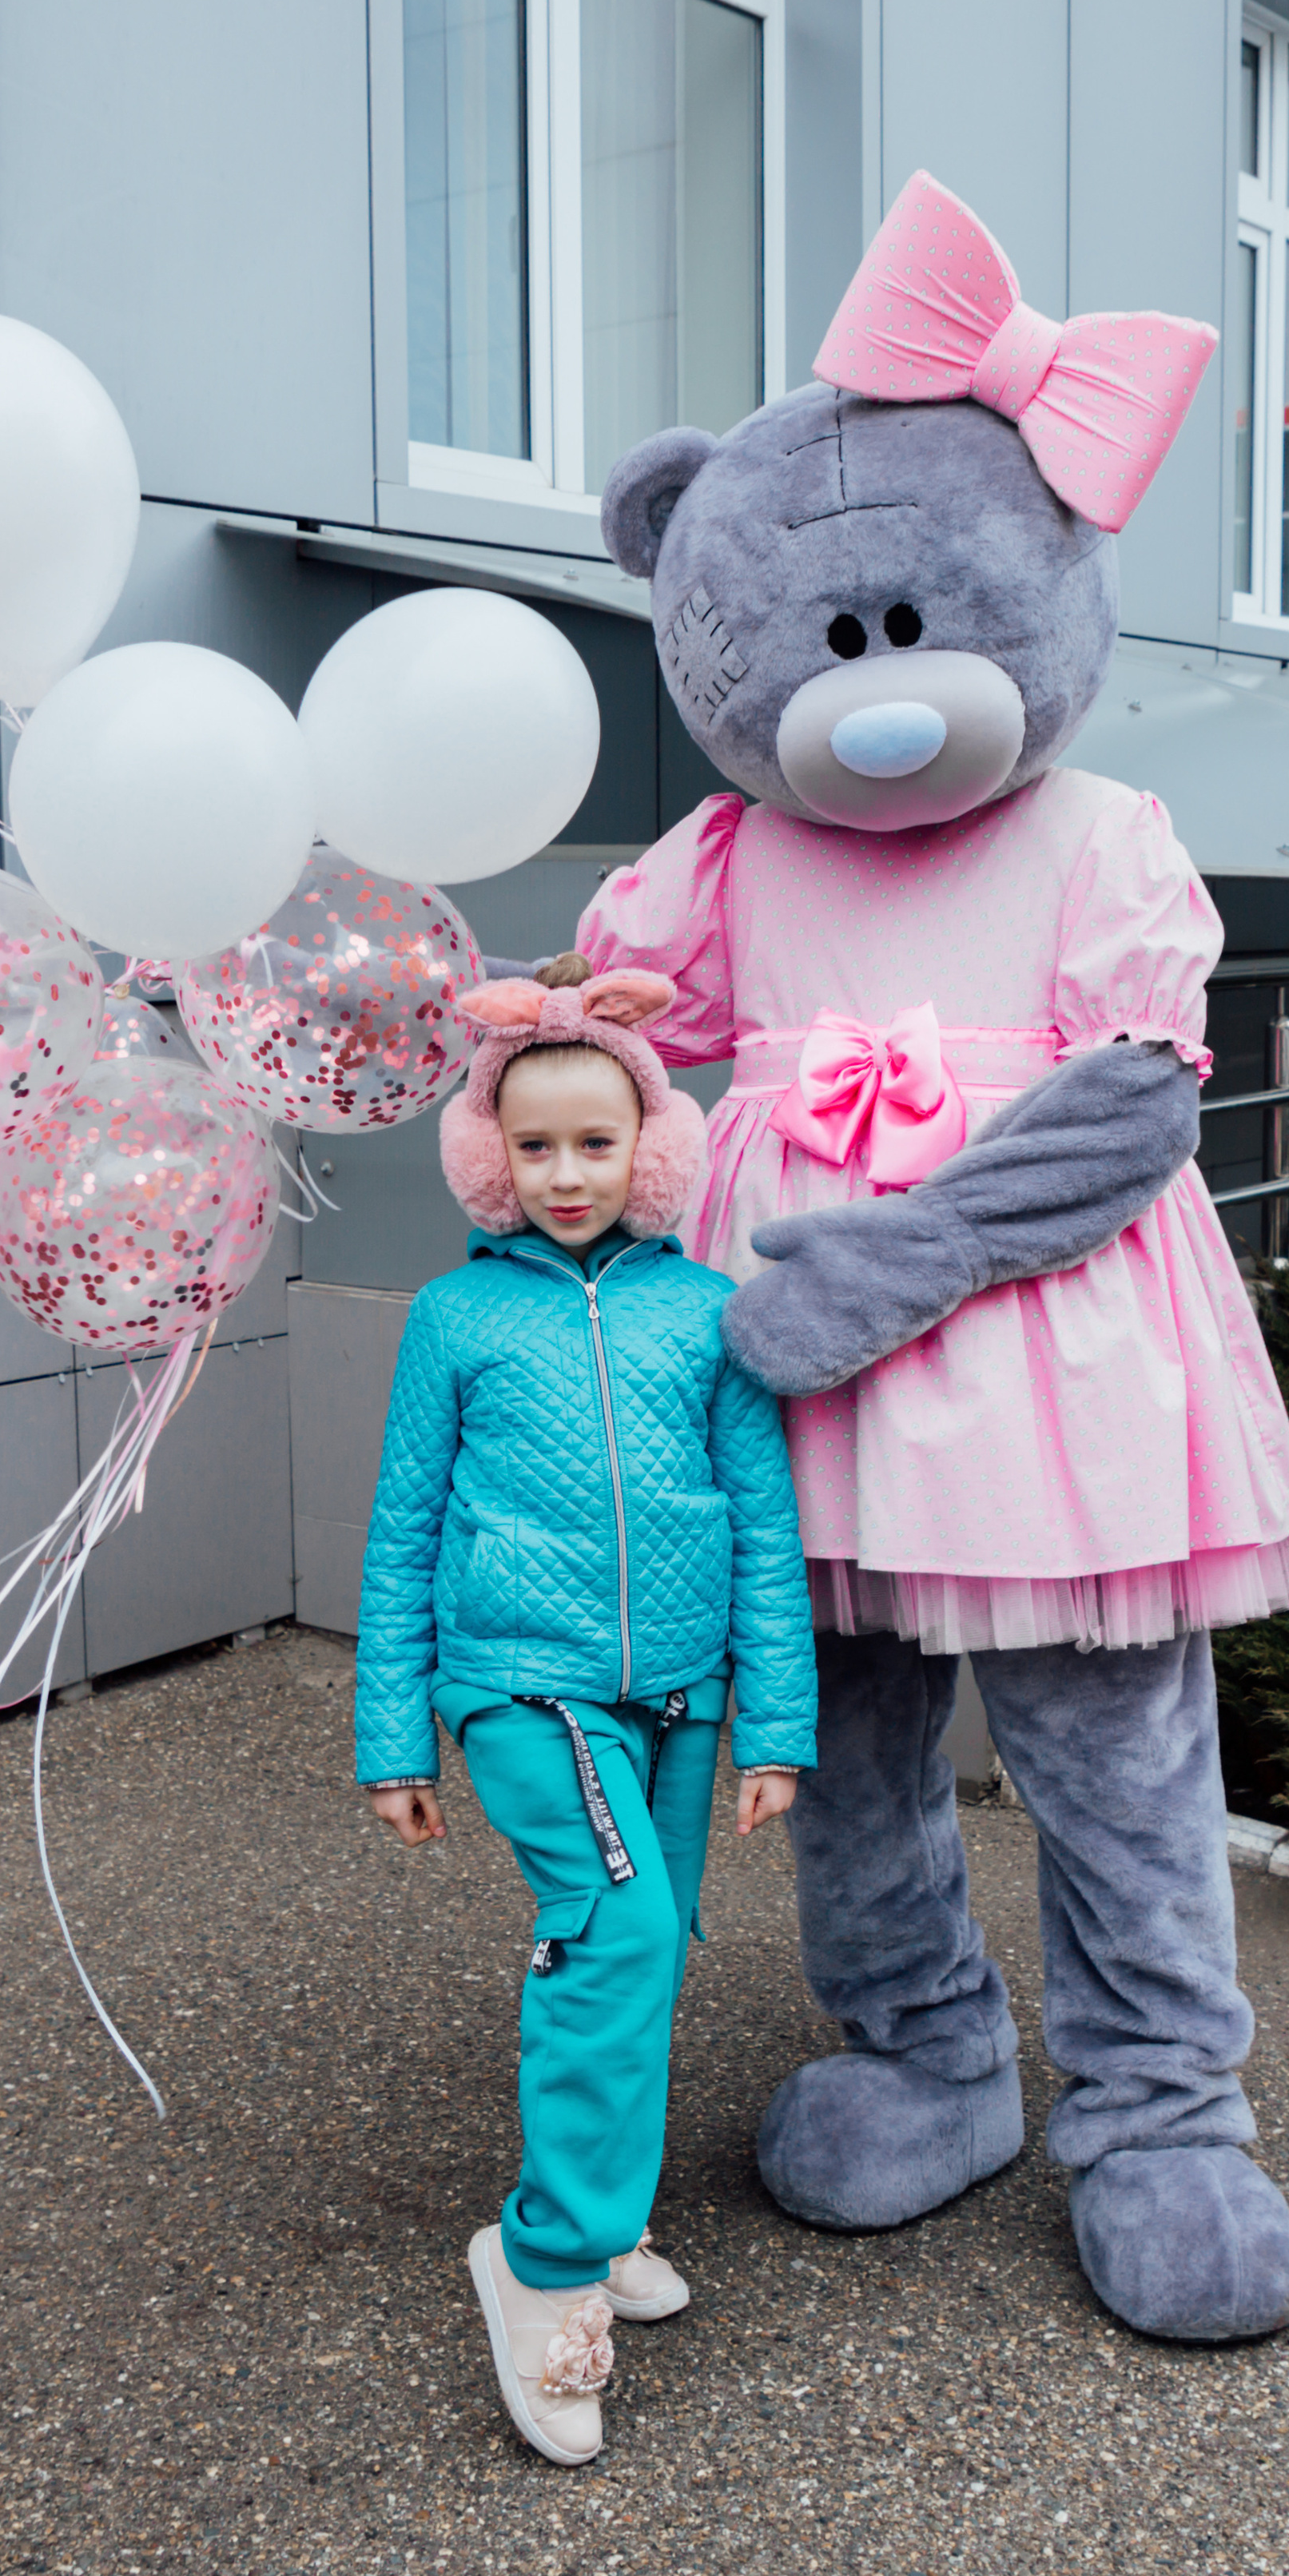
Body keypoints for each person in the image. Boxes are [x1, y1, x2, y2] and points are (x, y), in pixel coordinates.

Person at [355, 956, 817, 2467]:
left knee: (650, 1952)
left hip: (679, 1698)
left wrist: (775, 1725)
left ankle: (608, 2216)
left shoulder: (709, 1314)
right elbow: (404, 1527)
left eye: (596, 1143)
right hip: (521, 1686)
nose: (566, 1174)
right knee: (611, 1932)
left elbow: (761, 1517)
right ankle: (545, 2261)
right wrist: (393, 1734)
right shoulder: (454, 1319)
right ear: (489, 1157)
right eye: (534, 1146)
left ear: (651, 1149)